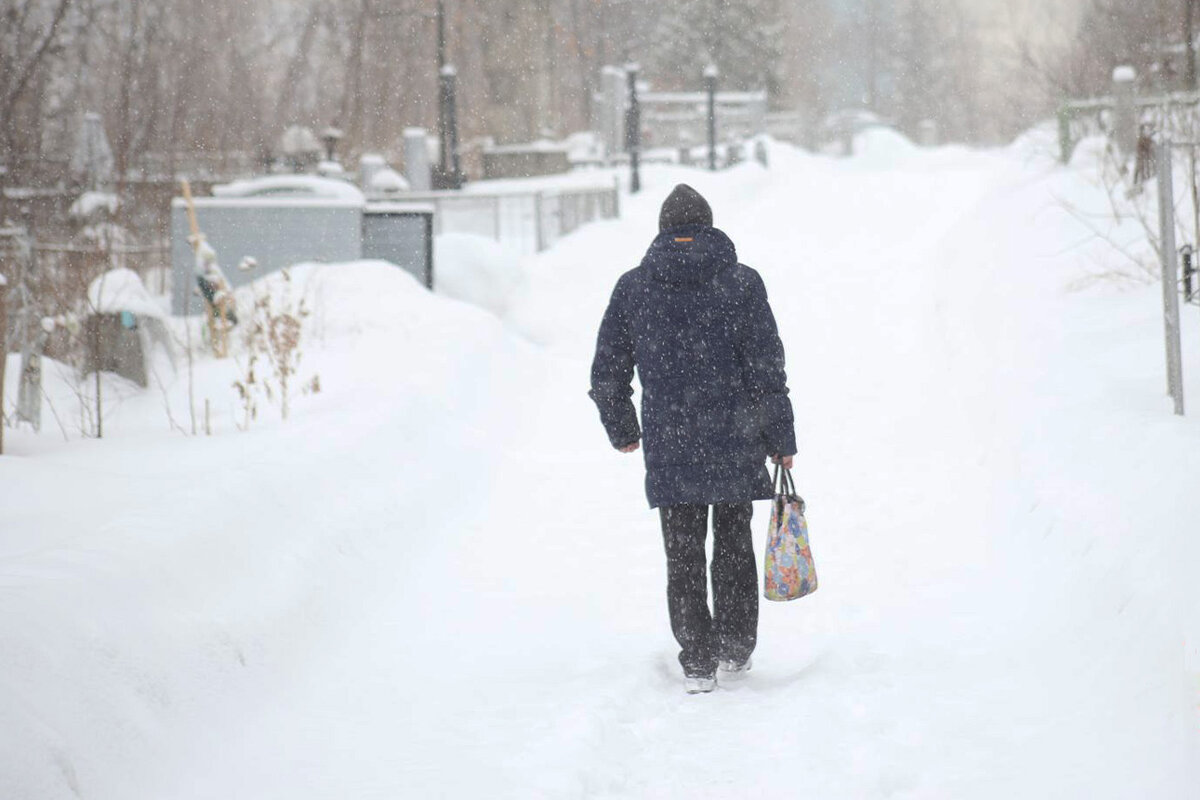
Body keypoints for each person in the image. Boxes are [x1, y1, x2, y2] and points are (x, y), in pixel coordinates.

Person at [589, 183, 797, 694]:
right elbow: (766, 368)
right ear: (708, 225)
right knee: (732, 544)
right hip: (735, 436)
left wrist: (622, 429)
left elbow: (608, 372)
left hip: (671, 439)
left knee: (681, 552)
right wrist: (780, 435)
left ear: (663, 229)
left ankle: (698, 662)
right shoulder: (742, 283)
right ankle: (734, 646)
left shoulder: (634, 286)